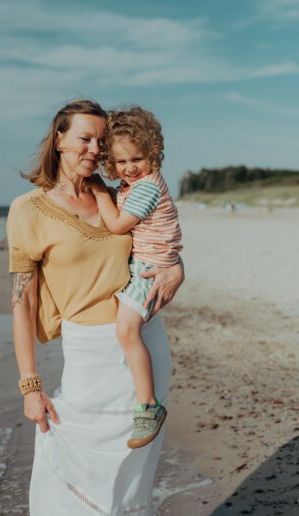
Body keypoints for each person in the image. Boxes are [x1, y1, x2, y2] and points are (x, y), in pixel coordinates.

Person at [6, 99, 184, 515]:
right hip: (87, 353)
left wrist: (177, 268)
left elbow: (155, 242)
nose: (93, 149)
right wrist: (30, 386)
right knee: (71, 473)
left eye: (100, 141)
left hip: (142, 342)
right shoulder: (28, 210)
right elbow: (22, 301)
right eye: (84, 138)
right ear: (59, 139)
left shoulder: (120, 196)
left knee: (130, 483)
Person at [89, 107, 182, 450]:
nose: (129, 168)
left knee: (126, 329)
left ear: (153, 153)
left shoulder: (145, 188)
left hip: (150, 266)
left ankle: (148, 407)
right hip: (152, 259)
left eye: (137, 159)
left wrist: (99, 190)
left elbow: (116, 225)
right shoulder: (135, 185)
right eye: (121, 162)